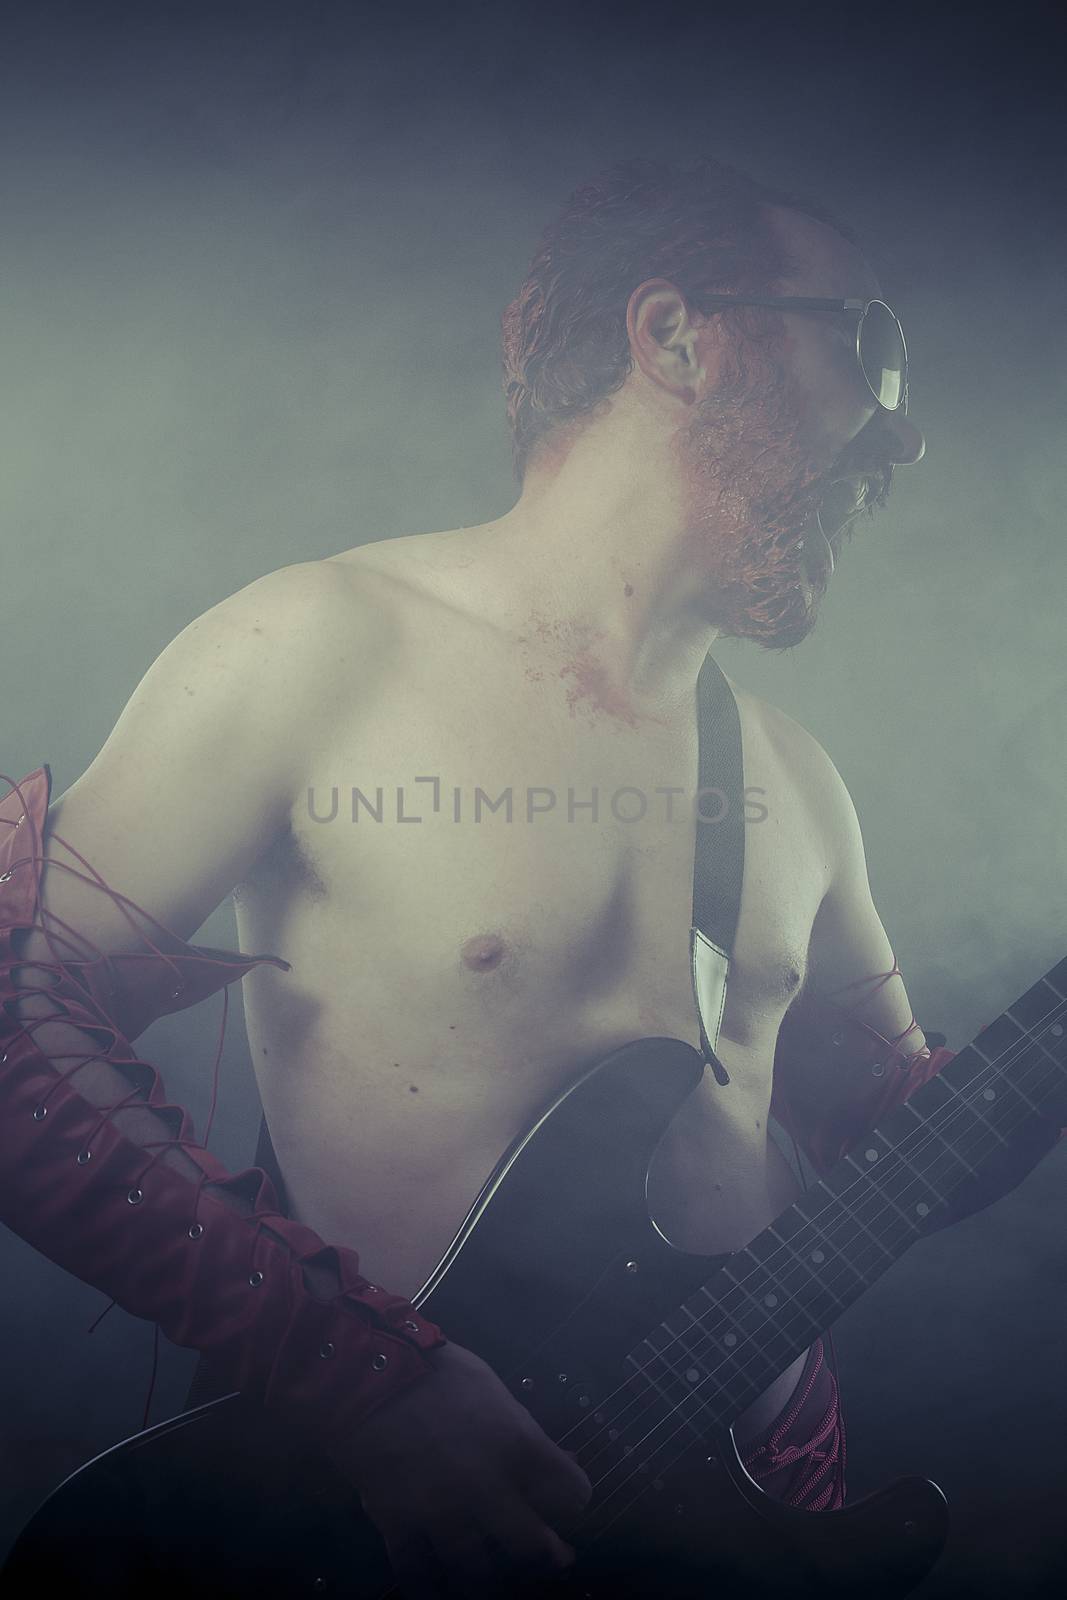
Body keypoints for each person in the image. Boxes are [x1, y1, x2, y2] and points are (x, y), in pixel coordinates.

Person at [0, 157, 1045, 1596]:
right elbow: (14, 1022)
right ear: (677, 336)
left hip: (758, 1520)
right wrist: (366, 1384)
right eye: (869, 346)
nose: (902, 435)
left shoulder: (799, 780)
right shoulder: (319, 647)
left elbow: (896, 1134)